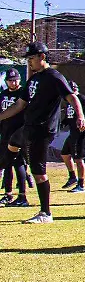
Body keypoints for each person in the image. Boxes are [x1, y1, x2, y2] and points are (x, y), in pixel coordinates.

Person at [0, 42, 85, 224]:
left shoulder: (54, 76)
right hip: (29, 127)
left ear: (42, 56)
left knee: (39, 172)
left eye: (31, 58)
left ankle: (45, 213)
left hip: (42, 130)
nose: (29, 62)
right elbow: (20, 105)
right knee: (12, 143)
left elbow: (72, 97)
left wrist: (80, 116)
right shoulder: (34, 78)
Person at [0, 69, 30, 207]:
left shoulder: (23, 93)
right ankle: (8, 194)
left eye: (15, 80)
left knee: (19, 164)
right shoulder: (3, 94)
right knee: (6, 163)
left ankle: (22, 196)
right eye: (10, 80)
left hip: (19, 133)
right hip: (5, 133)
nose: (13, 82)